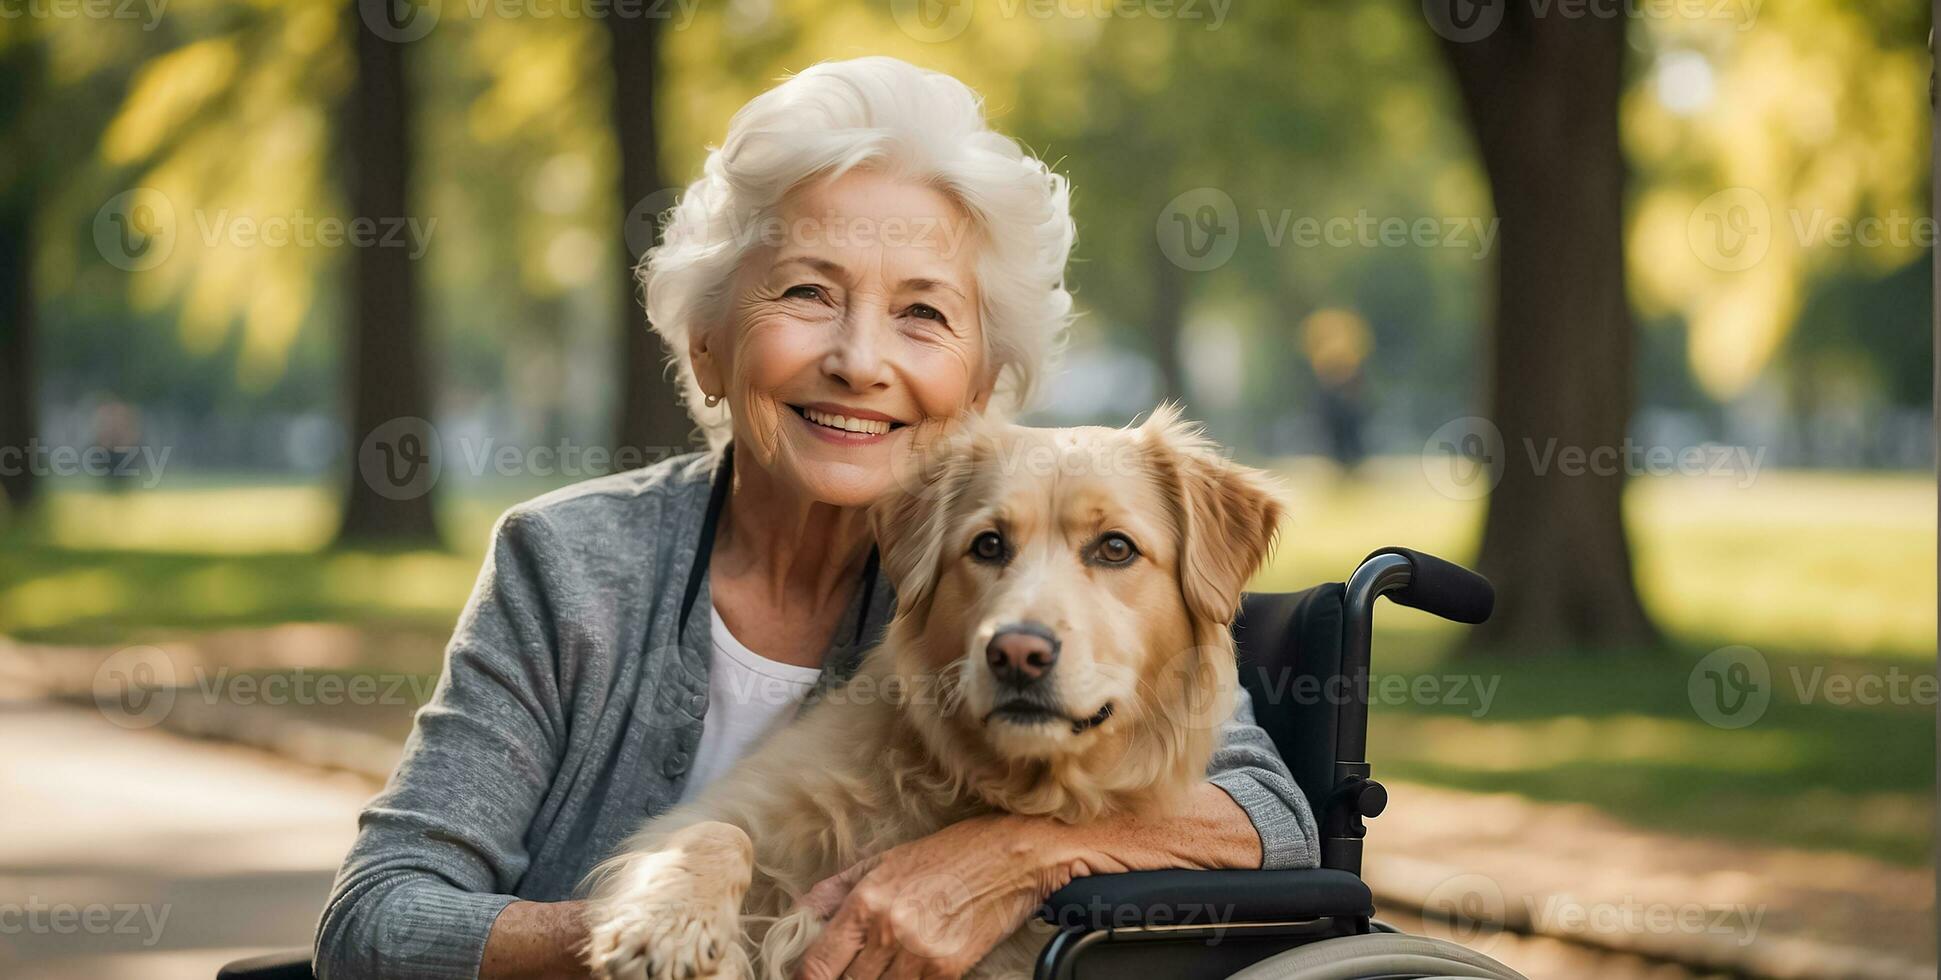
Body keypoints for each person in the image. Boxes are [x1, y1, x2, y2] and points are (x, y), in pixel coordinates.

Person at [315, 56, 1317, 980]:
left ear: (985, 380)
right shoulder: (568, 564)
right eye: (806, 292)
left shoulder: (1003, 582)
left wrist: (1003, 855)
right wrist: (663, 930)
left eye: (922, 312)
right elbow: (376, 915)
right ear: (707, 342)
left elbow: (1268, 817)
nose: (858, 358)